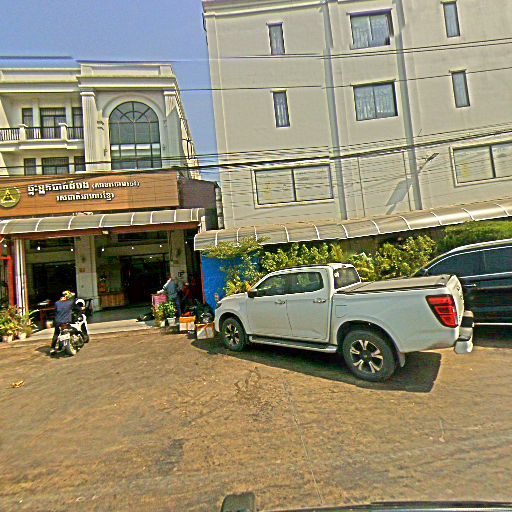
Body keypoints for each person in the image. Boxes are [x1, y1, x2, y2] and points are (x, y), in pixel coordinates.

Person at [50, 290, 78, 355]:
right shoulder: (70, 302)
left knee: (56, 334)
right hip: (66, 321)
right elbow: (77, 308)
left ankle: (52, 348)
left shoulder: (56, 303)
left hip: (58, 322)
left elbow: (55, 311)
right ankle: (74, 341)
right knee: (74, 330)